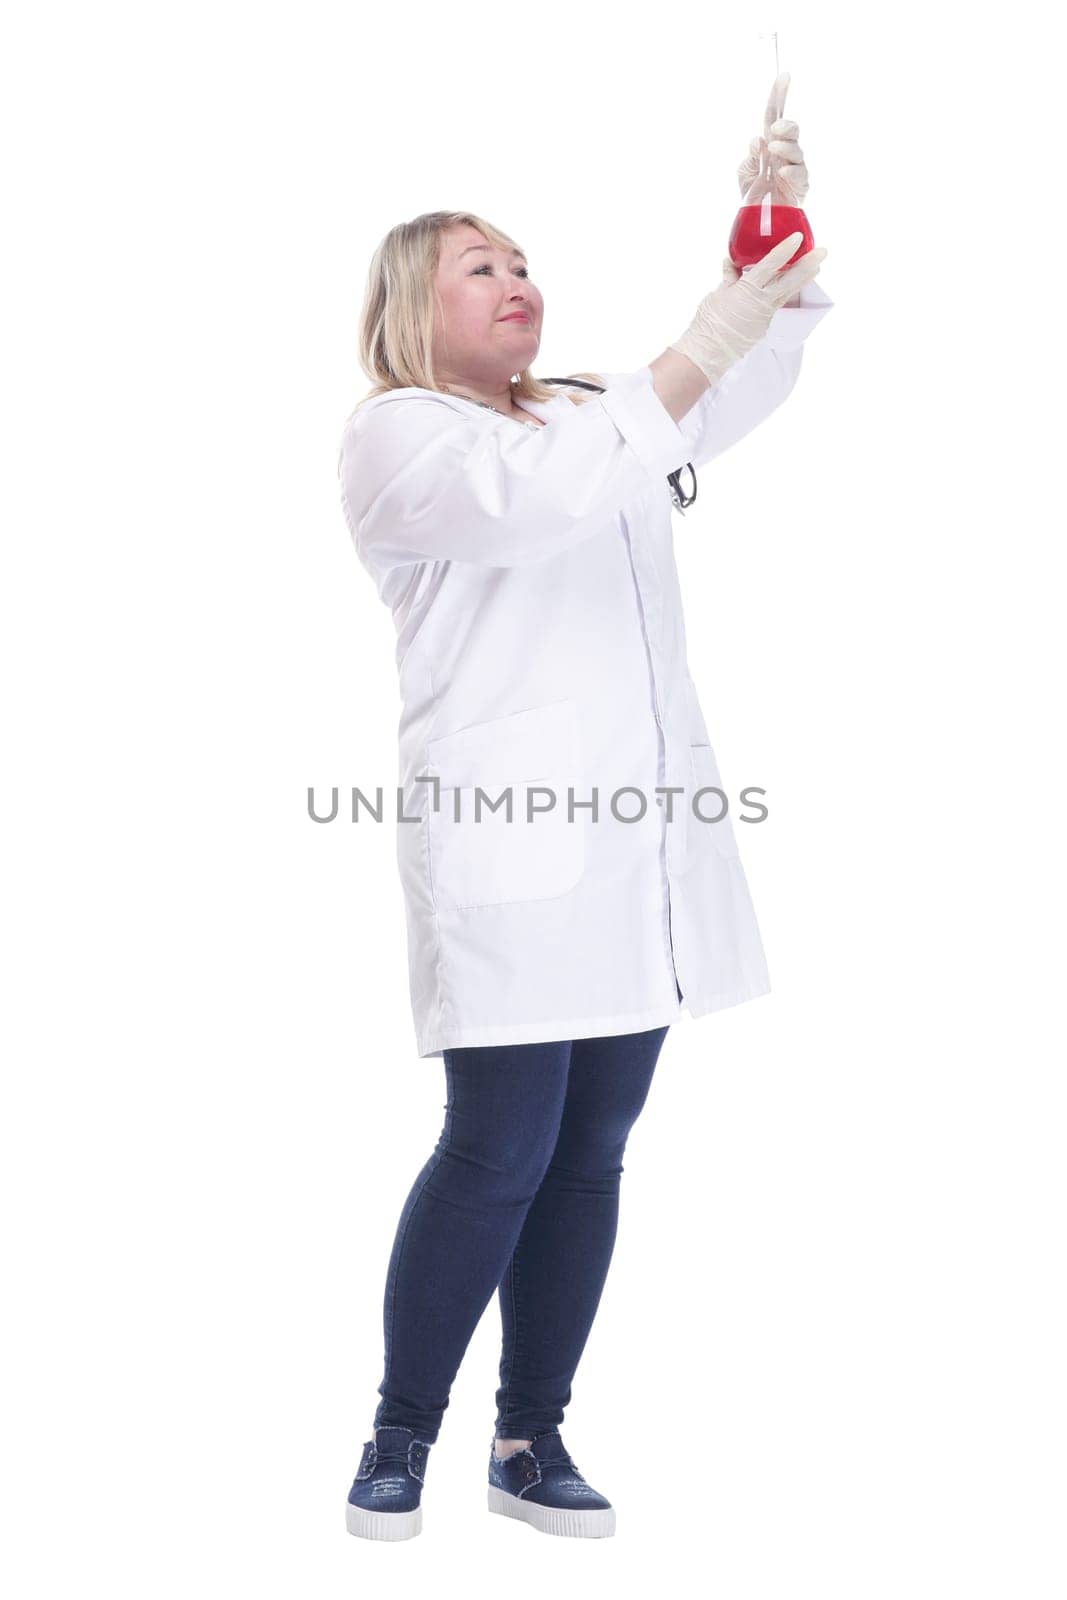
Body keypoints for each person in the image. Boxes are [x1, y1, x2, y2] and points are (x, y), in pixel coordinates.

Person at [336, 190, 832, 1540]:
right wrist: (690, 349)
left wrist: (767, 264)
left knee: (594, 1148)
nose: (517, 279)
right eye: (478, 267)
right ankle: (399, 1435)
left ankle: (529, 1437)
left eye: (523, 261)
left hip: (640, 851)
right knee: (498, 1146)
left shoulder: (584, 405)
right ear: (408, 310)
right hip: (511, 848)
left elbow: (728, 392)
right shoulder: (400, 435)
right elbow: (532, 507)